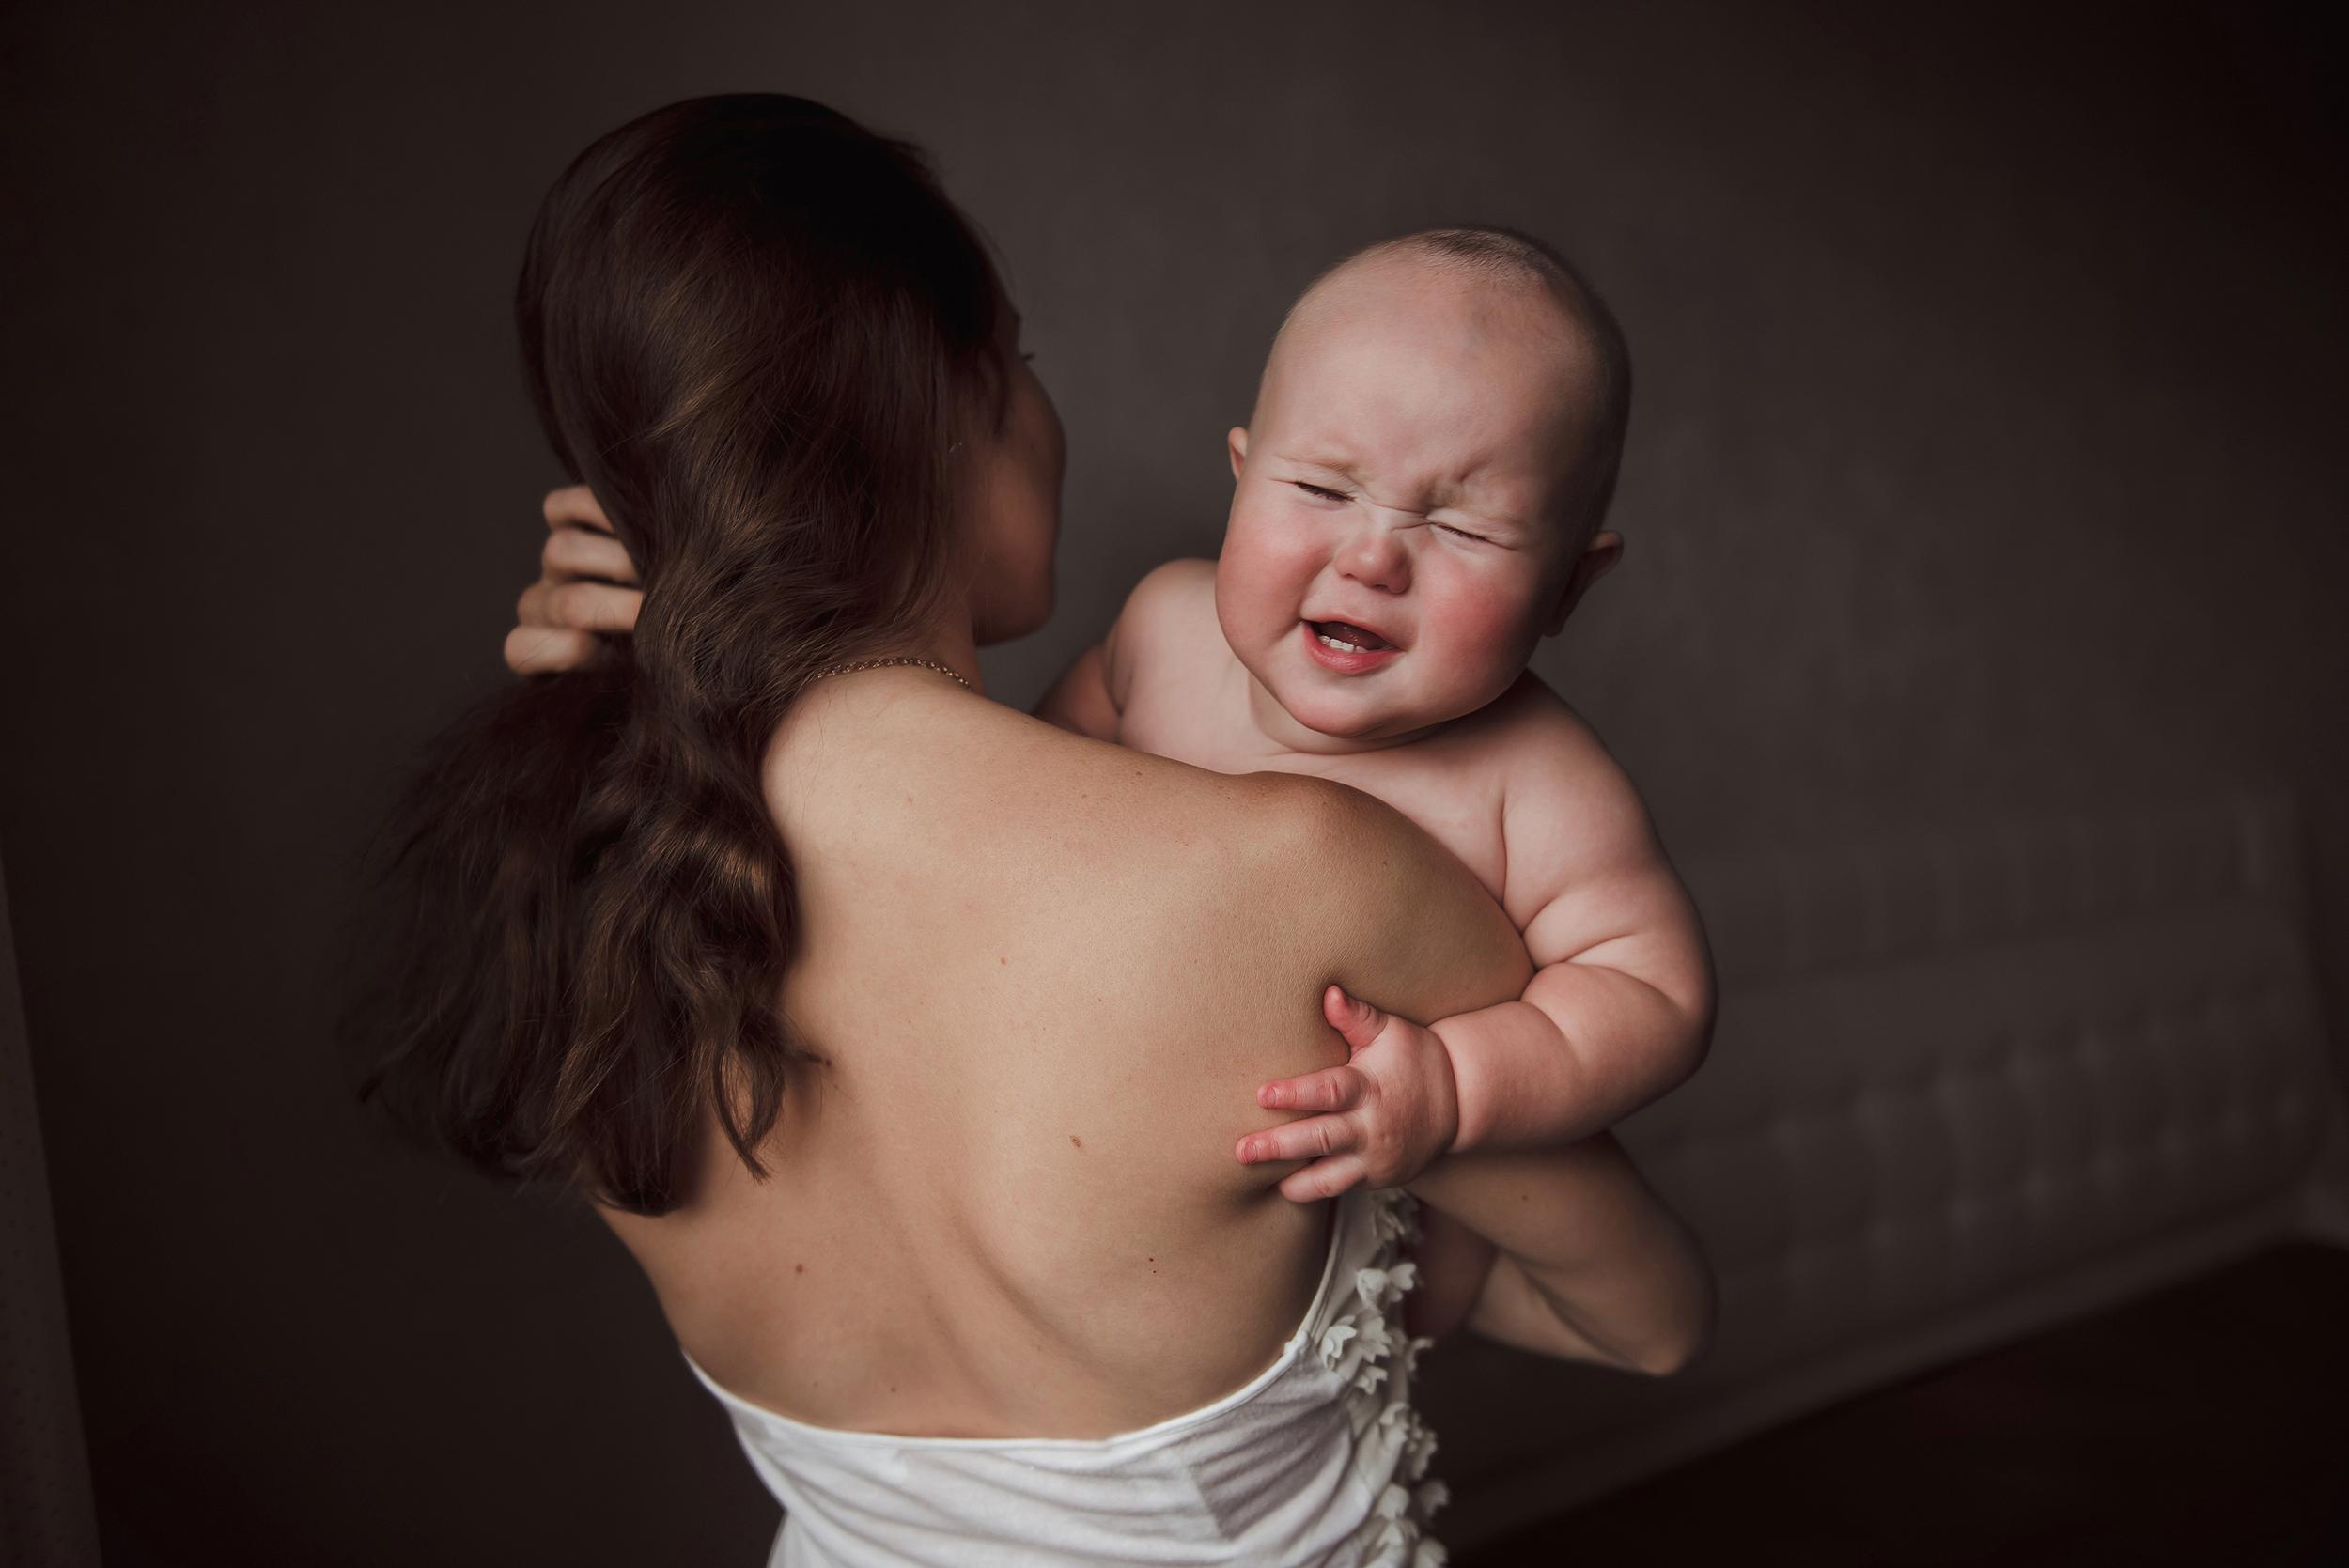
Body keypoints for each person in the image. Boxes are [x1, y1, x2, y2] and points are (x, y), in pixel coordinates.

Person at [387, 93, 1708, 1568]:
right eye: (1017, 358)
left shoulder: (580, 853)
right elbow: (1646, 1317)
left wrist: (696, 605)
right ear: (950, 405)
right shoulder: (1296, 873)